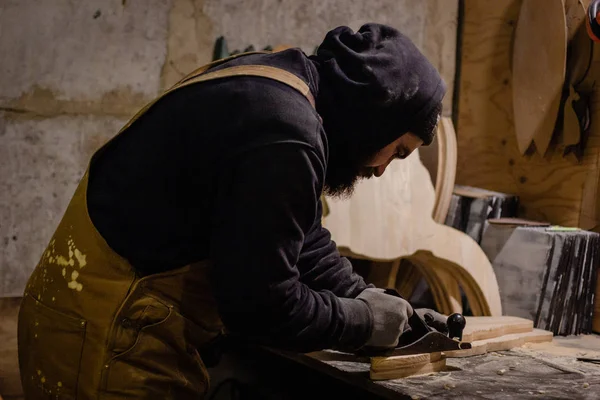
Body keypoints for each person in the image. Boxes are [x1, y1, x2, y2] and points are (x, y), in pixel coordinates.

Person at [17, 23, 447, 399]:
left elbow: (302, 238)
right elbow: (260, 306)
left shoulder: (281, 85)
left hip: (91, 316)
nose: (381, 169)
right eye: (398, 150)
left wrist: (373, 300)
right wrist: (361, 322)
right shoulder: (287, 133)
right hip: (105, 336)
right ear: (377, 118)